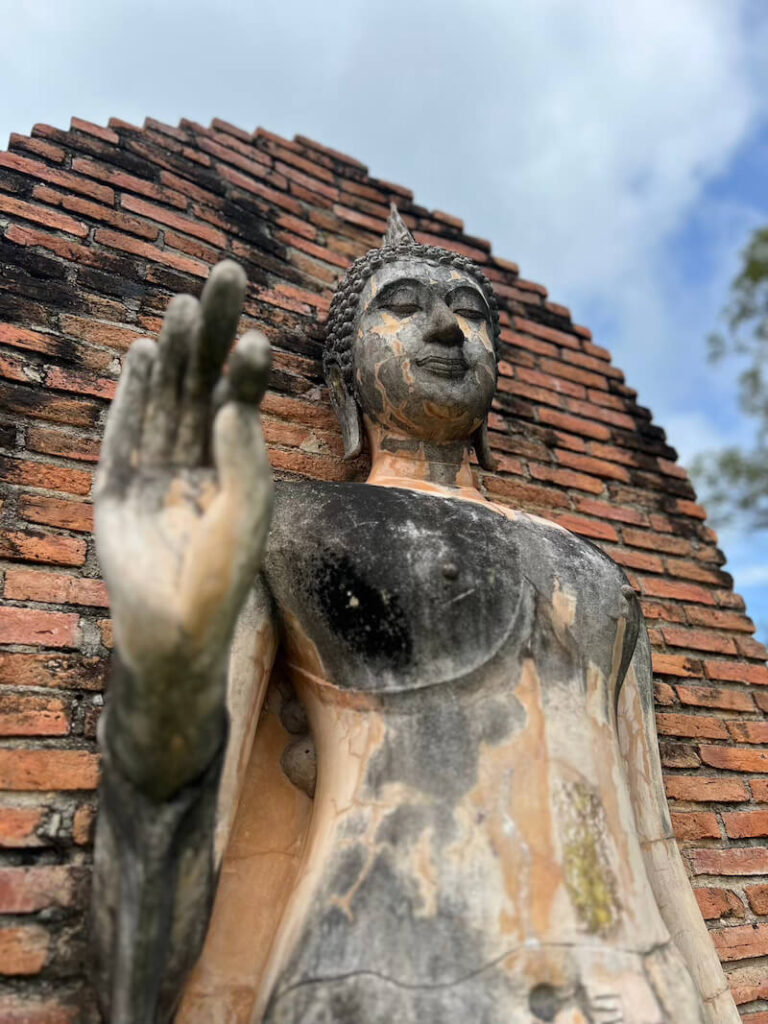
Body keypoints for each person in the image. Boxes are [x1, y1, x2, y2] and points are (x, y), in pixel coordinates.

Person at [91, 210, 738, 1024]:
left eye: (469, 309)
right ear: (346, 375)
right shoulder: (288, 526)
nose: (445, 326)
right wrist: (164, 674)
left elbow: (656, 848)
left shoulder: (598, 573)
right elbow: (193, 820)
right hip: (383, 977)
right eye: (402, 304)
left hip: (634, 992)